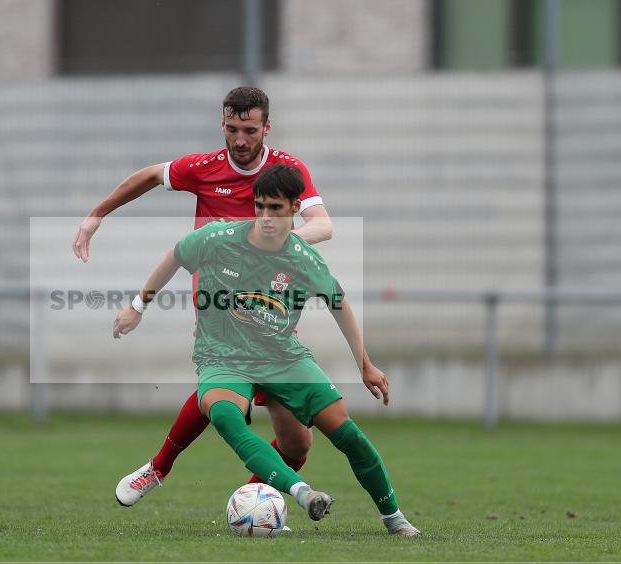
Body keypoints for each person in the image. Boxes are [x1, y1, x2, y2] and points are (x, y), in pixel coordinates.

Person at [112, 164, 420, 535]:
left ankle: (394, 519)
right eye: (260, 206)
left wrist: (365, 365)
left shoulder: (303, 258)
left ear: (294, 208)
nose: (266, 216)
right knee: (225, 415)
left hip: (283, 358)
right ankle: (302, 493)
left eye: (276, 208)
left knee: (335, 436)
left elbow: (339, 304)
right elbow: (175, 256)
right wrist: (138, 306)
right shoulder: (219, 237)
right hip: (223, 357)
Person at [72, 86, 334, 506]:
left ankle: (251, 497)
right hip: (219, 300)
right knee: (224, 395)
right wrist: (96, 215)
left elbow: (322, 224)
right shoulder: (203, 168)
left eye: (249, 130)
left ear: (267, 127)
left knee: (298, 443)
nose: (240, 140)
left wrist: (276, 242)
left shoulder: (286, 170)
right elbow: (149, 176)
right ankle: (158, 468)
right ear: (222, 125)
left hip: (272, 307)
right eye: (231, 129)